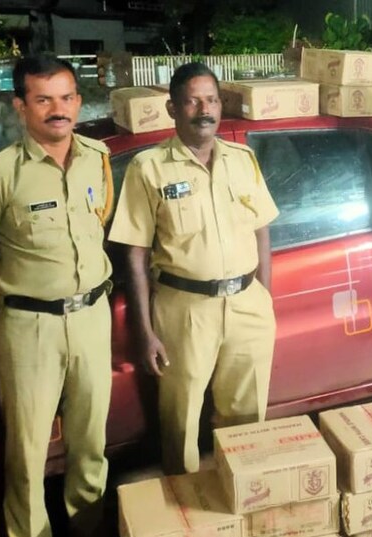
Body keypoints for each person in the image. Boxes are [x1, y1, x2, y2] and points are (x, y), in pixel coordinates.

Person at [0, 55, 113, 537]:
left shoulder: (98, 158)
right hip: (29, 328)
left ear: (79, 102)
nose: (57, 110)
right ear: (20, 105)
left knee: (91, 446)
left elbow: (98, 228)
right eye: (43, 99)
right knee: (26, 456)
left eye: (67, 97)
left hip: (92, 317)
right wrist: (15, 301)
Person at [108, 63, 279, 475]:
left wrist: (265, 299)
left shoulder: (243, 159)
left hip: (246, 306)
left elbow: (262, 231)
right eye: (193, 100)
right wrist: (144, 330)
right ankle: (186, 515)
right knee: (180, 420)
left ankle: (243, 494)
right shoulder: (148, 168)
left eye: (212, 100)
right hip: (184, 310)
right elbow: (133, 252)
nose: (205, 109)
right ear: (172, 108)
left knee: (247, 418)